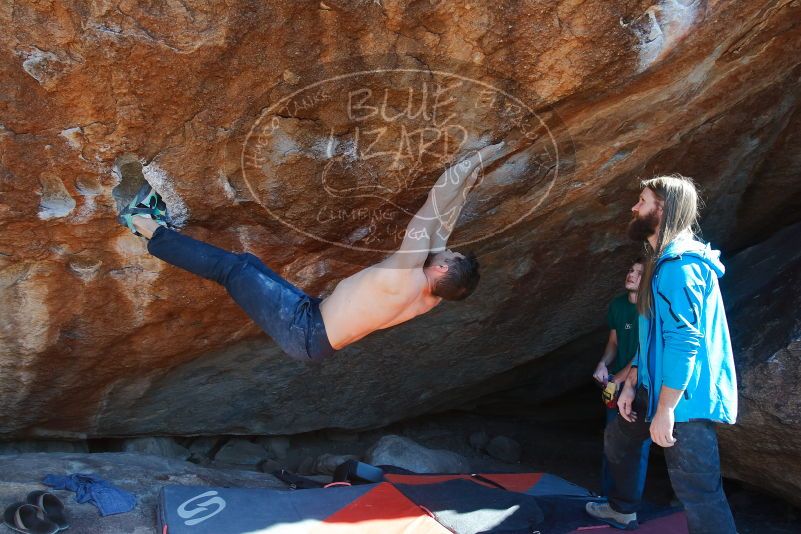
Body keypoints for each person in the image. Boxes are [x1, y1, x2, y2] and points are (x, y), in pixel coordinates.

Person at [118, 142, 508, 362]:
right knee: (247, 266)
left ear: (441, 270)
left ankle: (144, 223)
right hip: (313, 328)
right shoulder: (430, 296)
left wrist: (471, 159)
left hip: (304, 328)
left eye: (451, 255)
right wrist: (472, 176)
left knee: (232, 270)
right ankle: (155, 229)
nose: (449, 249)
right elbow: (445, 220)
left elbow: (432, 210)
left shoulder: (402, 276)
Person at [585, 175, 738, 533]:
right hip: (652, 388)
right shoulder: (660, 262)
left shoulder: (680, 268)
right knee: (620, 438)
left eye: (642, 200)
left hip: (684, 401)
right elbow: (652, 334)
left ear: (663, 208)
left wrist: (666, 409)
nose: (634, 207)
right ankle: (622, 509)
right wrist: (632, 378)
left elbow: (685, 342)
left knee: (699, 492)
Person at [592, 259, 649, 498]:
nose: (632, 275)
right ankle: (606, 498)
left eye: (639, 273)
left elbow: (642, 354)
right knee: (611, 440)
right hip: (616, 383)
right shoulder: (617, 305)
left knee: (636, 448)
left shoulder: (650, 309)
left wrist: (618, 379)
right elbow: (614, 342)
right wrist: (603, 363)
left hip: (642, 386)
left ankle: (627, 506)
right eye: (630, 269)